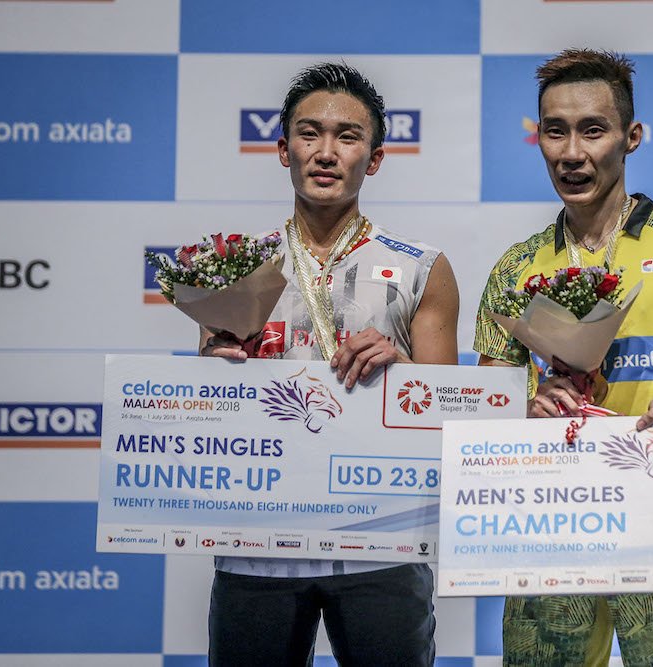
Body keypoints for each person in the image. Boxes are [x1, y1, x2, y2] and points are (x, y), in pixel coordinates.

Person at [474, 49, 653, 666]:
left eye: (593, 130)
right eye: (555, 131)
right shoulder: (516, 266)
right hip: (546, 526)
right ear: (540, 139)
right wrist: (525, 408)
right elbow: (484, 409)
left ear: (631, 137)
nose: (571, 152)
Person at [200, 62, 459, 667]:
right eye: (309, 133)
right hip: (257, 542)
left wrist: (404, 367)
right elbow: (209, 406)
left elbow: (451, 407)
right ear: (282, 149)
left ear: (373, 159)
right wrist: (211, 372)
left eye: (347, 137)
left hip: (383, 542)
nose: (325, 152)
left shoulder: (423, 266)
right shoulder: (233, 266)